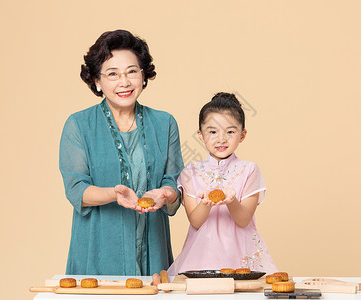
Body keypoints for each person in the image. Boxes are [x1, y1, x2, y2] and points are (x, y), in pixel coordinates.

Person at [59, 30, 183, 275]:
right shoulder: (79, 125)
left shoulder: (165, 123)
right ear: (97, 80)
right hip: (99, 249)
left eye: (132, 71)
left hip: (152, 246)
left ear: (143, 75)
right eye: (112, 74)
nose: (124, 82)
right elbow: (76, 189)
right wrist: (115, 194)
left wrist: (165, 194)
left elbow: (173, 180)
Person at [167, 92, 277, 275]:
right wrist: (206, 202)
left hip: (241, 254)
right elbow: (195, 221)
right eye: (212, 131)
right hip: (202, 256)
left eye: (230, 131)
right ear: (201, 136)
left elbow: (243, 220)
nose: (221, 139)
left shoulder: (249, 170)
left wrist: (231, 200)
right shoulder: (191, 172)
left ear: (242, 135)